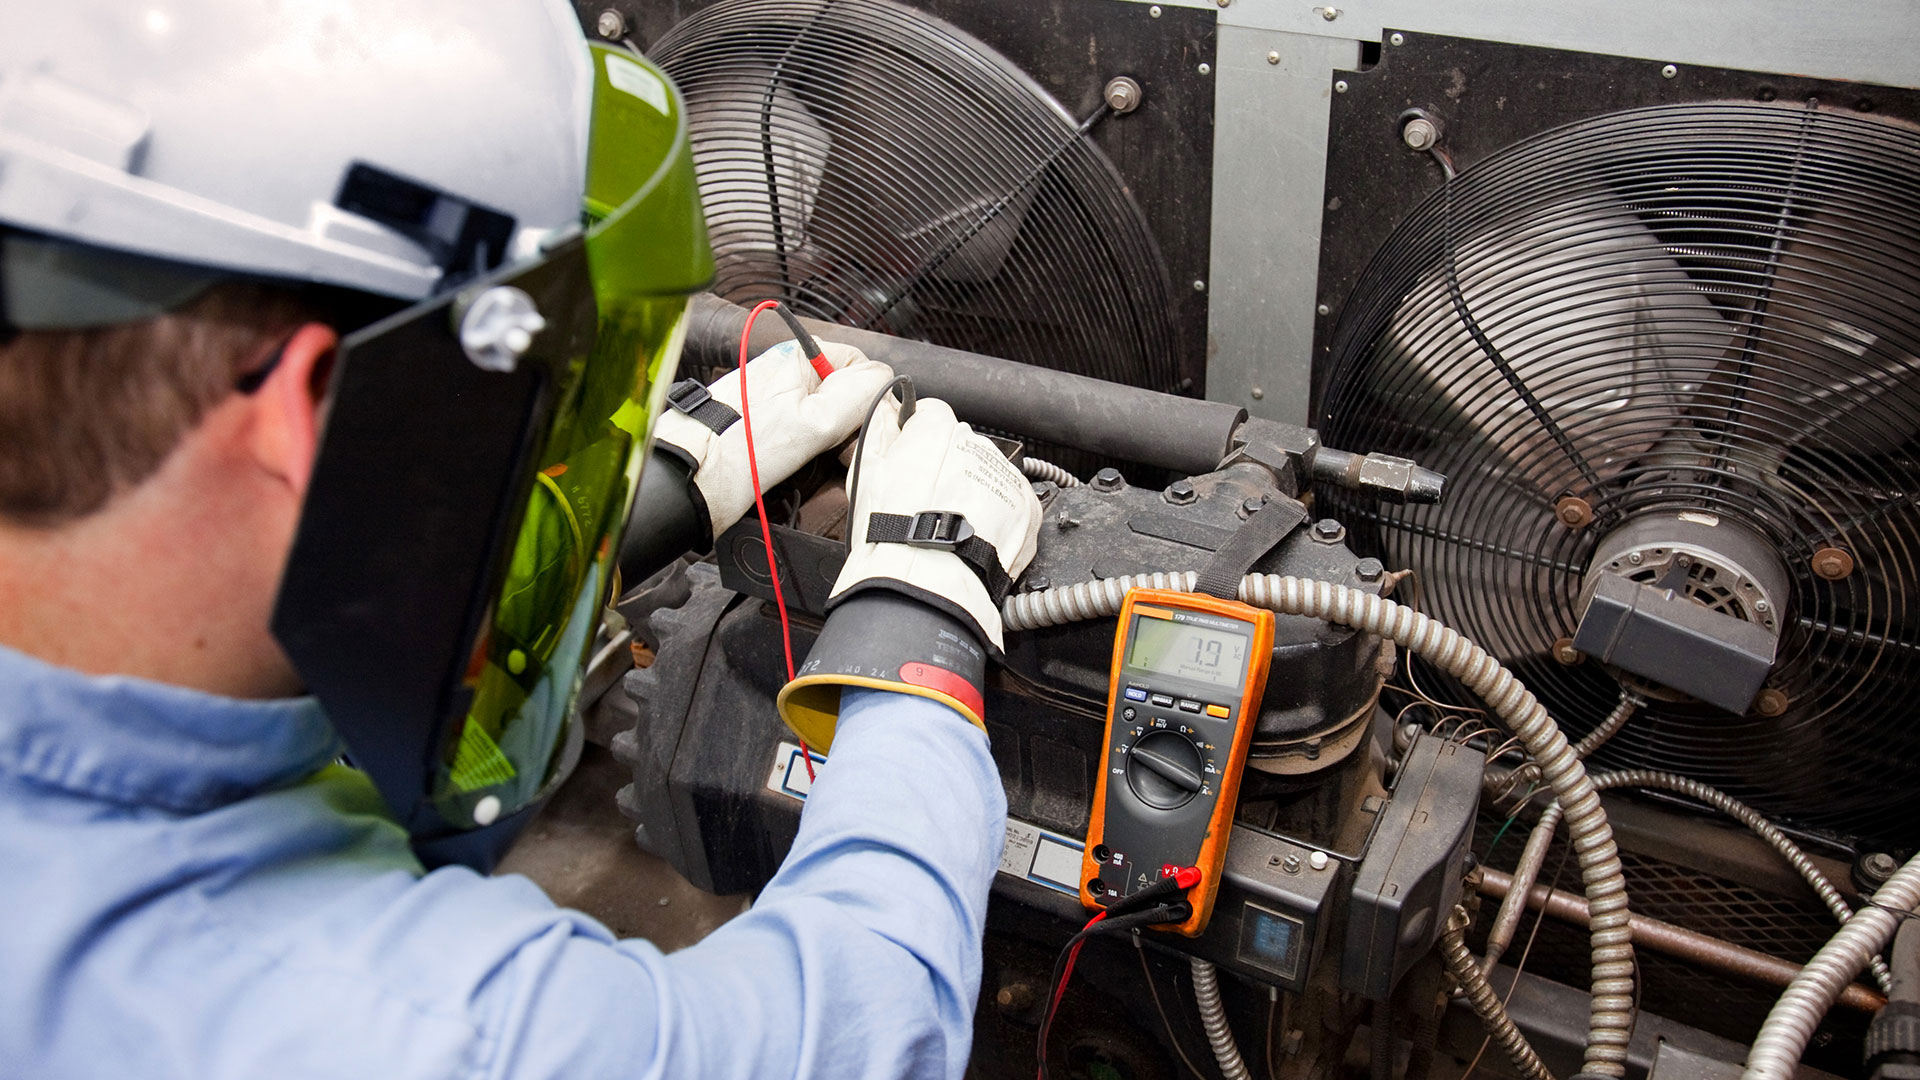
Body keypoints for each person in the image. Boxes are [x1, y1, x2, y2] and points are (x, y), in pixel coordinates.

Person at [0, 2, 1043, 1077]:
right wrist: (921, 624)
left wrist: (662, 495)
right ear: (309, 416)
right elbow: (850, 1022)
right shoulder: (430, 1033)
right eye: (539, 409)